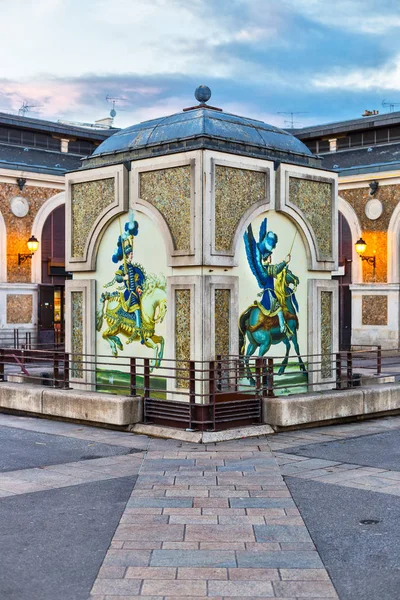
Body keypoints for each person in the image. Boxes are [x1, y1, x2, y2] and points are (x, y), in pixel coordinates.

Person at [244, 219, 290, 335]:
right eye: (269, 256)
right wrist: (284, 262)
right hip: (268, 292)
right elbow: (268, 273)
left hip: (269, 288)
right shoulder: (262, 262)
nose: (271, 256)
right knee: (279, 309)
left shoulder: (265, 258)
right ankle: (282, 326)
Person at [115, 245, 146, 343]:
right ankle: (138, 331)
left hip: (135, 292)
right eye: (131, 254)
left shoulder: (132, 267)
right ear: (127, 255)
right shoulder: (123, 267)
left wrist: (138, 288)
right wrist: (124, 278)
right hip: (129, 293)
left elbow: (135, 281)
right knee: (137, 310)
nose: (132, 256)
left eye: (132, 254)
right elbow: (117, 278)